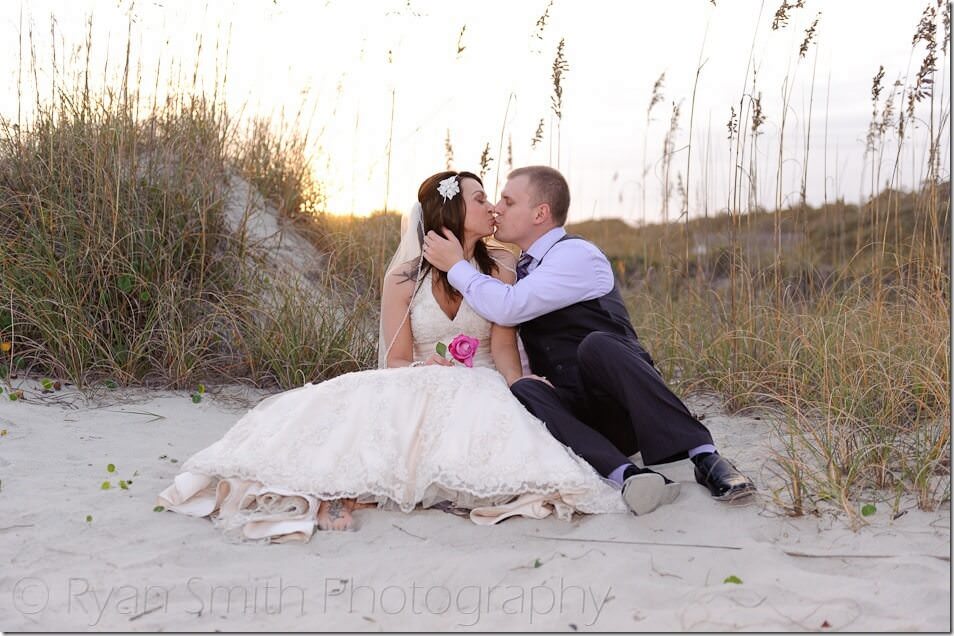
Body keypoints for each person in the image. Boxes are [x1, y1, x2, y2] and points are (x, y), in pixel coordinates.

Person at [156, 170, 628, 543]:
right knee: (369, 408)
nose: (491, 207)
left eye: (493, 199)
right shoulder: (402, 278)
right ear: (452, 208)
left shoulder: (502, 265)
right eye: (480, 198)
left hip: (482, 379)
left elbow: (504, 347)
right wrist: (427, 368)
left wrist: (518, 387)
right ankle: (339, 492)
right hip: (418, 376)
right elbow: (397, 360)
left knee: (492, 437)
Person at [422, 165, 756, 514]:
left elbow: (510, 307)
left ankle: (706, 458)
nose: (497, 209)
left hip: (627, 408)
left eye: (508, 201)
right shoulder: (515, 267)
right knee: (524, 388)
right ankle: (627, 475)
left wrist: (456, 266)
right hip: (580, 421)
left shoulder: (576, 255)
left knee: (597, 343)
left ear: (540, 213)